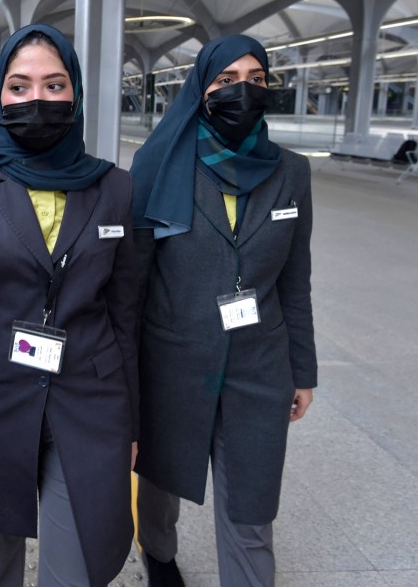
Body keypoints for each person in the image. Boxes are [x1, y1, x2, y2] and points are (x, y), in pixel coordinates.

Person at [0, 23, 139, 587]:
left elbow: (126, 315)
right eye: (19, 86)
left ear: (76, 94)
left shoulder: (116, 188)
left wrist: (134, 422)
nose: (37, 99)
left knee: (75, 567)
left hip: (90, 399)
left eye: (54, 85)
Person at [129, 34, 317, 587]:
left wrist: (302, 372)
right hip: (171, 359)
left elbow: (296, 283)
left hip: (261, 366)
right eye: (226, 80)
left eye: (257, 79)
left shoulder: (292, 172)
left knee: (252, 503)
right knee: (161, 481)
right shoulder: (157, 165)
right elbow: (133, 280)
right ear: (201, 90)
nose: (244, 90)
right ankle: (158, 557)